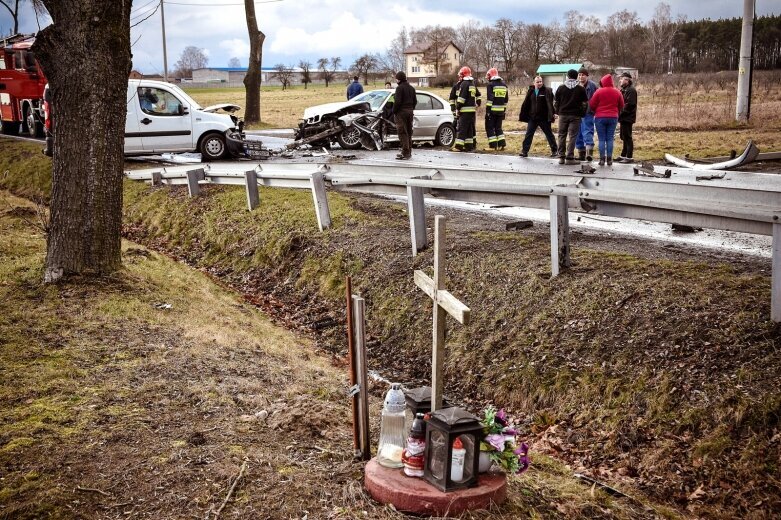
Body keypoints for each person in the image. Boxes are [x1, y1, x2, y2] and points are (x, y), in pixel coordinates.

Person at [553, 69, 588, 165]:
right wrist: (582, 113)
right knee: (573, 136)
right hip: (575, 115)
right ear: (576, 76)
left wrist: (557, 111)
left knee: (561, 135)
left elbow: (556, 102)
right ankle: (570, 157)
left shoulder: (561, 88)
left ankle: (561, 157)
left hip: (563, 115)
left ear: (568, 76)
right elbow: (585, 103)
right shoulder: (581, 89)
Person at [588, 74, 624, 166]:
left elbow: (592, 104)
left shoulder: (599, 91)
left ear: (603, 82)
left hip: (600, 117)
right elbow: (622, 105)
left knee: (601, 139)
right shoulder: (617, 92)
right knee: (610, 139)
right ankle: (609, 160)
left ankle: (602, 160)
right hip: (613, 117)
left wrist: (597, 110)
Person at [518, 76, 557, 158]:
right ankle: (524, 151)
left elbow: (551, 104)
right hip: (532, 118)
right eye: (537, 82)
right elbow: (526, 103)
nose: (539, 83)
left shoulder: (547, 91)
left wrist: (554, 113)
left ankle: (555, 151)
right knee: (528, 134)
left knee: (549, 134)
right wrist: (525, 114)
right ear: (534, 83)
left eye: (540, 81)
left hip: (544, 118)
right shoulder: (531, 91)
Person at [454, 66, 479, 152]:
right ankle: (469, 146)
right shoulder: (472, 83)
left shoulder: (464, 84)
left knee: (462, 128)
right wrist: (477, 103)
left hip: (465, 111)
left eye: (460, 75)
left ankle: (458, 147)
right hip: (472, 111)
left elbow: (461, 98)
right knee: (469, 129)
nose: (459, 76)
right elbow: (477, 95)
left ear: (463, 75)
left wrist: (457, 108)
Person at [575, 67, 598, 162]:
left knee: (587, 131)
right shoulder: (576, 85)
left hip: (588, 113)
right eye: (579, 75)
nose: (581, 77)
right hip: (577, 113)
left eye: (583, 75)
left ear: (587, 76)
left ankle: (589, 154)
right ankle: (581, 153)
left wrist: (593, 109)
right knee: (577, 133)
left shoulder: (592, 86)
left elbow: (596, 98)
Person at [393, 71, 415, 160]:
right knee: (409, 132)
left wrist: (394, 111)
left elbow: (397, 102)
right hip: (410, 111)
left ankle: (405, 153)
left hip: (401, 113)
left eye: (396, 79)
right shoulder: (412, 88)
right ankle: (409, 152)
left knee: (402, 132)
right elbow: (415, 101)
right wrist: (411, 109)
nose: (396, 81)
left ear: (399, 79)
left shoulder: (399, 88)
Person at [484, 67, 508, 150]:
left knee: (489, 127)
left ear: (491, 75)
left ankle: (493, 146)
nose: (488, 78)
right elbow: (506, 100)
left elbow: (490, 99)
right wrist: (504, 111)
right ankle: (502, 144)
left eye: (488, 76)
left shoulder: (490, 85)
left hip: (492, 111)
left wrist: (488, 111)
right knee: (498, 128)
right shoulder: (504, 85)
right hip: (501, 111)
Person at [617, 72, 637, 163]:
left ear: (627, 80)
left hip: (628, 117)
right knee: (623, 136)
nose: (620, 80)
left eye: (621, 78)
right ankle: (623, 155)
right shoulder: (623, 90)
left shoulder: (631, 90)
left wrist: (620, 113)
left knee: (627, 137)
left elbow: (630, 104)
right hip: (623, 117)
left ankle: (629, 157)